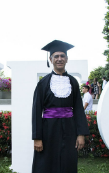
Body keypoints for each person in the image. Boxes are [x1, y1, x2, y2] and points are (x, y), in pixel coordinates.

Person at [32, 40, 89, 173]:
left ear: (67, 59)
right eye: (56, 56)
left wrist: (81, 134)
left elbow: (79, 109)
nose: (59, 59)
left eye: (62, 56)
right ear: (50, 59)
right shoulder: (43, 83)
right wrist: (37, 137)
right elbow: (36, 111)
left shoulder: (73, 82)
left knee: (68, 162)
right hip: (48, 131)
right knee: (46, 164)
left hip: (69, 130)